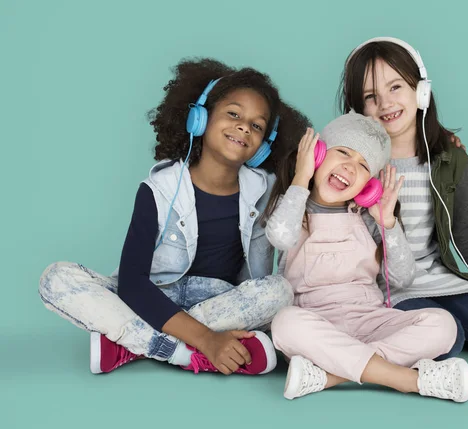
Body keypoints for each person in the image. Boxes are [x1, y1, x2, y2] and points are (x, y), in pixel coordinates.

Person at [39, 58, 309, 375]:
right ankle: (184, 352)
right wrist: (208, 339)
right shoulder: (159, 189)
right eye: (233, 114)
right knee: (56, 278)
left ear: (264, 145)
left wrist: (302, 178)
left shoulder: (266, 193)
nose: (243, 127)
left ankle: (130, 342)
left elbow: (265, 274)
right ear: (200, 118)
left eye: (257, 125)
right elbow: (132, 284)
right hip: (153, 295)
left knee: (279, 290)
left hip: (218, 301)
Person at [338, 37, 468, 358]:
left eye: (395, 87)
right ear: (356, 109)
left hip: (441, 279)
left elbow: (466, 233)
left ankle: (447, 323)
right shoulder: (352, 164)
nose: (386, 103)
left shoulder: (451, 160)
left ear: (420, 90)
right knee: (448, 340)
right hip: (389, 289)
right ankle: (427, 328)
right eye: (370, 96)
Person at [265, 112, 468, 402]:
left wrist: (389, 224)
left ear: (369, 185)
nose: (349, 167)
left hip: (370, 320)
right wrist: (301, 177)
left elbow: (402, 278)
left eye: (363, 166)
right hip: (316, 323)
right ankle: (407, 380)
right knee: (285, 323)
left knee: (444, 324)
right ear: (318, 154)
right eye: (343, 152)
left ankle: (329, 376)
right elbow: (280, 236)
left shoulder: (368, 217)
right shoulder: (293, 202)